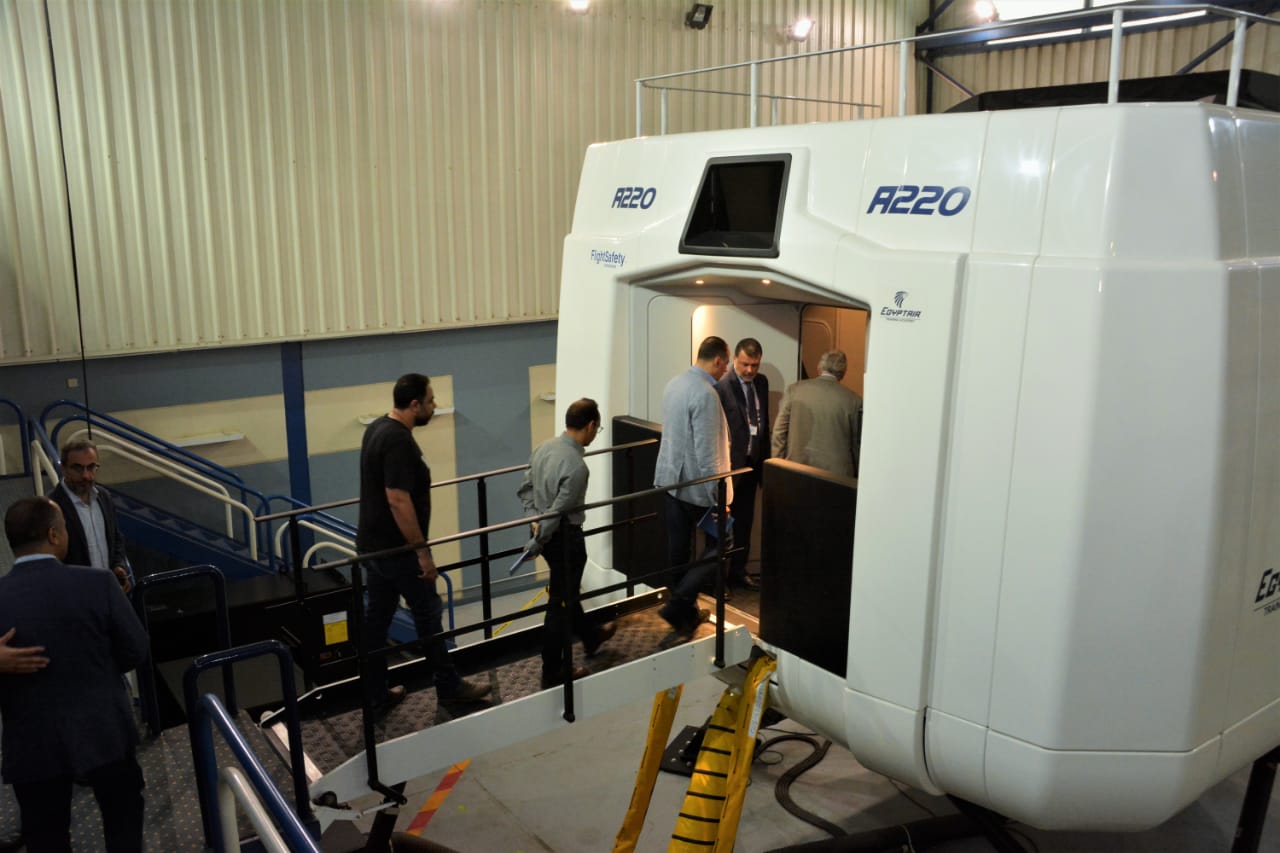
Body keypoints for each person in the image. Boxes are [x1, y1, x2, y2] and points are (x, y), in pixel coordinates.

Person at [0, 497, 150, 853]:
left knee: (46, 837)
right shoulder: (99, 584)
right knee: (123, 821)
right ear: (54, 535)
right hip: (104, 731)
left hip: (32, 743)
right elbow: (136, 649)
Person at [358, 373, 491, 714]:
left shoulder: (376, 428)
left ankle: (375, 693)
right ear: (415, 404)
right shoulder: (398, 441)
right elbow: (397, 499)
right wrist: (422, 552)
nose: (435, 406)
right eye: (431, 401)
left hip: (375, 548)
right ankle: (449, 686)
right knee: (428, 615)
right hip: (399, 551)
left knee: (376, 622)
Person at [517, 398, 617, 689]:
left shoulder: (543, 448)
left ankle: (590, 636)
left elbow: (526, 490)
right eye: (597, 429)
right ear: (590, 425)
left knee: (566, 592)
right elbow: (559, 512)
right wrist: (538, 538)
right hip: (565, 540)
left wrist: (533, 521)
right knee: (559, 604)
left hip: (547, 537)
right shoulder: (576, 466)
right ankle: (553, 669)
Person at [653, 336, 734, 639]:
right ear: (718, 360)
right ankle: (678, 604)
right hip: (698, 489)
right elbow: (707, 451)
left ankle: (684, 614)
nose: (726, 370)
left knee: (679, 549)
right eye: (726, 364)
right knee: (723, 542)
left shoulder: (674, 384)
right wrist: (719, 496)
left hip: (671, 482)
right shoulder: (705, 394)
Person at [715, 338, 769, 592]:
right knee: (722, 527)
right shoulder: (722, 386)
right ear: (735, 359)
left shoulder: (762, 382)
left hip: (752, 465)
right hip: (729, 468)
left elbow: (763, 424)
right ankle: (718, 581)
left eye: (754, 365)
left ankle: (739, 572)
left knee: (745, 524)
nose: (750, 370)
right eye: (745, 364)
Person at [48, 438, 131, 592]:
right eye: (78, 468)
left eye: (91, 467)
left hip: (109, 589)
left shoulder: (104, 497)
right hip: (75, 595)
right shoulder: (51, 506)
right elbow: (50, 558)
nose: (86, 475)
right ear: (63, 469)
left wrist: (119, 565)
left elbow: (116, 538)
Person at [772, 350, 863, 479]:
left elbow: (779, 432)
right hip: (838, 478)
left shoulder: (795, 390)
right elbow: (857, 446)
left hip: (796, 470)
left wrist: (776, 467)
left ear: (819, 367)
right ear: (843, 373)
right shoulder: (854, 401)